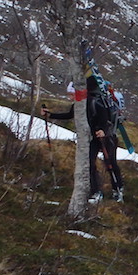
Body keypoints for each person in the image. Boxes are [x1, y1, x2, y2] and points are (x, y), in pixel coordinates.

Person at [42, 75, 125, 203]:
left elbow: (104, 118)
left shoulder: (95, 101)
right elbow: (70, 115)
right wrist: (50, 114)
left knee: (109, 163)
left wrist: (102, 130)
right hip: (95, 137)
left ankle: (116, 189)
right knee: (92, 163)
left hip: (106, 136)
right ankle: (99, 191)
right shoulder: (83, 102)